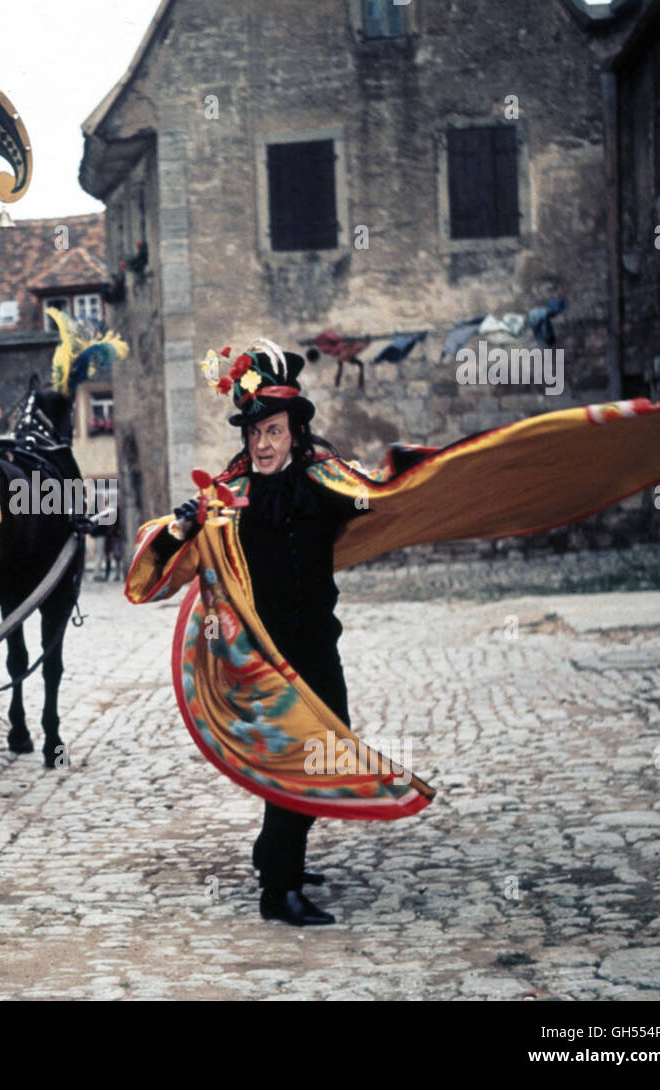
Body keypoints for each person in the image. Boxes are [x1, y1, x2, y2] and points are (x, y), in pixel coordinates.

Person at [124, 338, 435, 926]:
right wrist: (178, 531)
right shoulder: (226, 504)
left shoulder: (328, 485)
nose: (262, 444)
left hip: (319, 645)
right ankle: (280, 888)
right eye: (254, 434)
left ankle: (274, 851)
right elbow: (151, 579)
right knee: (296, 757)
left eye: (273, 432)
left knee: (326, 748)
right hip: (262, 661)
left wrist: (425, 476)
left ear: (295, 432)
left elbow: (384, 497)